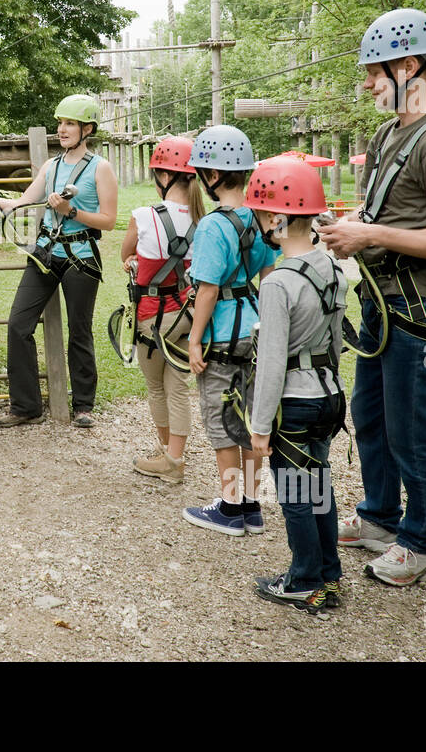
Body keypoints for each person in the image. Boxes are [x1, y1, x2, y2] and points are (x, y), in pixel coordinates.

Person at [319, 8, 426, 586]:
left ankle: (421, 542)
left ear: (409, 65)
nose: (366, 84)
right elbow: (382, 214)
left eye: (374, 71)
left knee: (413, 430)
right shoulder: (389, 134)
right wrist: (347, 227)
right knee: (371, 418)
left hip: (421, 309)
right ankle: (380, 519)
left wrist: (370, 234)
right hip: (382, 304)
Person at [0, 94, 119, 428]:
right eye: (60, 123)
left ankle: (83, 405)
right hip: (46, 254)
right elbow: (20, 204)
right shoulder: (52, 166)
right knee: (18, 324)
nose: (62, 129)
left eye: (70, 123)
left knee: (80, 331)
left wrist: (70, 211)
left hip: (81, 257)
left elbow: (109, 220)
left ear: (87, 129)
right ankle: (26, 406)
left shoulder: (100, 168)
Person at [241, 158, 348, 613]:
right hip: (329, 396)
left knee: (297, 498)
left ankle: (304, 579)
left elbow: (270, 364)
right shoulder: (331, 267)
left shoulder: (279, 282)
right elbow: (339, 339)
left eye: (262, 214)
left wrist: (259, 425)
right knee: (319, 485)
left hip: (295, 403)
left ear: (276, 217)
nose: (262, 223)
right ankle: (328, 573)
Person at [182, 125, 279, 537]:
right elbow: (271, 276)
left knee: (221, 418)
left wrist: (192, 340)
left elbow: (206, 290)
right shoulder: (259, 220)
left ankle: (229, 508)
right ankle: (252, 506)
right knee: (250, 415)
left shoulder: (211, 227)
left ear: (213, 176)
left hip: (221, 334)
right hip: (253, 328)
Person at [123, 137, 203, 483]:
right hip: (189, 315)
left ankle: (168, 460)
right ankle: (175, 454)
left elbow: (126, 256)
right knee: (178, 386)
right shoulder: (205, 222)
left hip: (152, 318)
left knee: (156, 387)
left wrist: (132, 262)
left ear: (162, 176)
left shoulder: (143, 216)